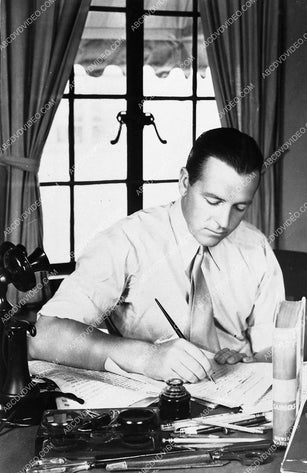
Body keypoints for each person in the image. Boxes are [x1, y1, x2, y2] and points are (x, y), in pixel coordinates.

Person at [29, 128, 284, 383]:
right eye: (213, 201)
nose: (224, 222)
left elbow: (274, 350)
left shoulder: (256, 247)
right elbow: (42, 336)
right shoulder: (127, 242)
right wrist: (147, 357)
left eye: (240, 207)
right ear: (185, 182)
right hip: (153, 404)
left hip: (239, 396)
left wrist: (252, 362)